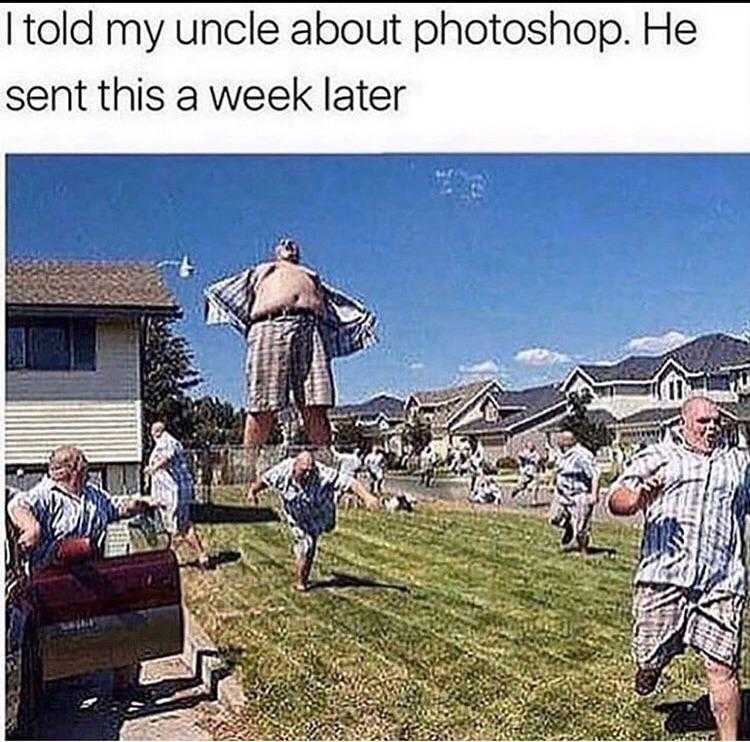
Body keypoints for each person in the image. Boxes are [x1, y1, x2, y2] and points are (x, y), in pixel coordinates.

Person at [609, 397, 750, 741]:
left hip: (722, 582)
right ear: (683, 422)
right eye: (703, 421)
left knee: (723, 667)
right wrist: (639, 498)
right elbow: (617, 499)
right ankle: (649, 668)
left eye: (716, 421)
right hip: (663, 578)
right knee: (649, 654)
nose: (712, 427)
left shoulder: (738, 464)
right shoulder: (657, 457)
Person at [204, 238, 377, 479]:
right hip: (269, 326)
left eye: (293, 243)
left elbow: (334, 306)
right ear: (276, 253)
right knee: (262, 404)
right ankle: (244, 472)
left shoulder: (311, 274)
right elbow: (233, 294)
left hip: (310, 328)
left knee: (315, 404)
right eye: (283, 243)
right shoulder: (264, 270)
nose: (288, 243)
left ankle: (328, 470)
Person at [7, 445, 155, 698]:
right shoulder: (46, 494)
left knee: (124, 619)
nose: (87, 466)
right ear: (72, 469)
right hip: (54, 582)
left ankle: (125, 685)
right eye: (83, 462)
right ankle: (43, 687)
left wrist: (141, 503)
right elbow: (16, 506)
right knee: (50, 643)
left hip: (91, 576)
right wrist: (31, 528)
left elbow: (115, 506)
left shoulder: (92, 494)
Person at [247, 451, 381, 592]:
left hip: (322, 509)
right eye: (304, 471)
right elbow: (264, 480)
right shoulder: (282, 471)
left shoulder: (322, 473)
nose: (307, 475)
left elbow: (350, 483)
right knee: (307, 544)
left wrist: (367, 497)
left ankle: (307, 554)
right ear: (295, 465)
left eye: (310, 471)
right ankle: (301, 582)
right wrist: (253, 492)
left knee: (328, 527)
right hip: (297, 514)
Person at [145, 421, 210, 569]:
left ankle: (198, 555)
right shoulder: (173, 441)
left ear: (155, 433)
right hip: (172, 492)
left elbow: (167, 458)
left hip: (173, 492)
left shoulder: (166, 441)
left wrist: (152, 468)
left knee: (181, 527)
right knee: (176, 526)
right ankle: (170, 558)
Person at [548, 430, 599, 554]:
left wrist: (593, 494)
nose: (558, 442)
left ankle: (583, 550)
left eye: (560, 439)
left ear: (568, 441)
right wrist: (551, 483)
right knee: (554, 518)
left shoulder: (582, 455)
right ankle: (568, 526)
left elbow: (595, 474)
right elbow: (557, 470)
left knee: (581, 527)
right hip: (562, 493)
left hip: (578, 493)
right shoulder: (561, 454)